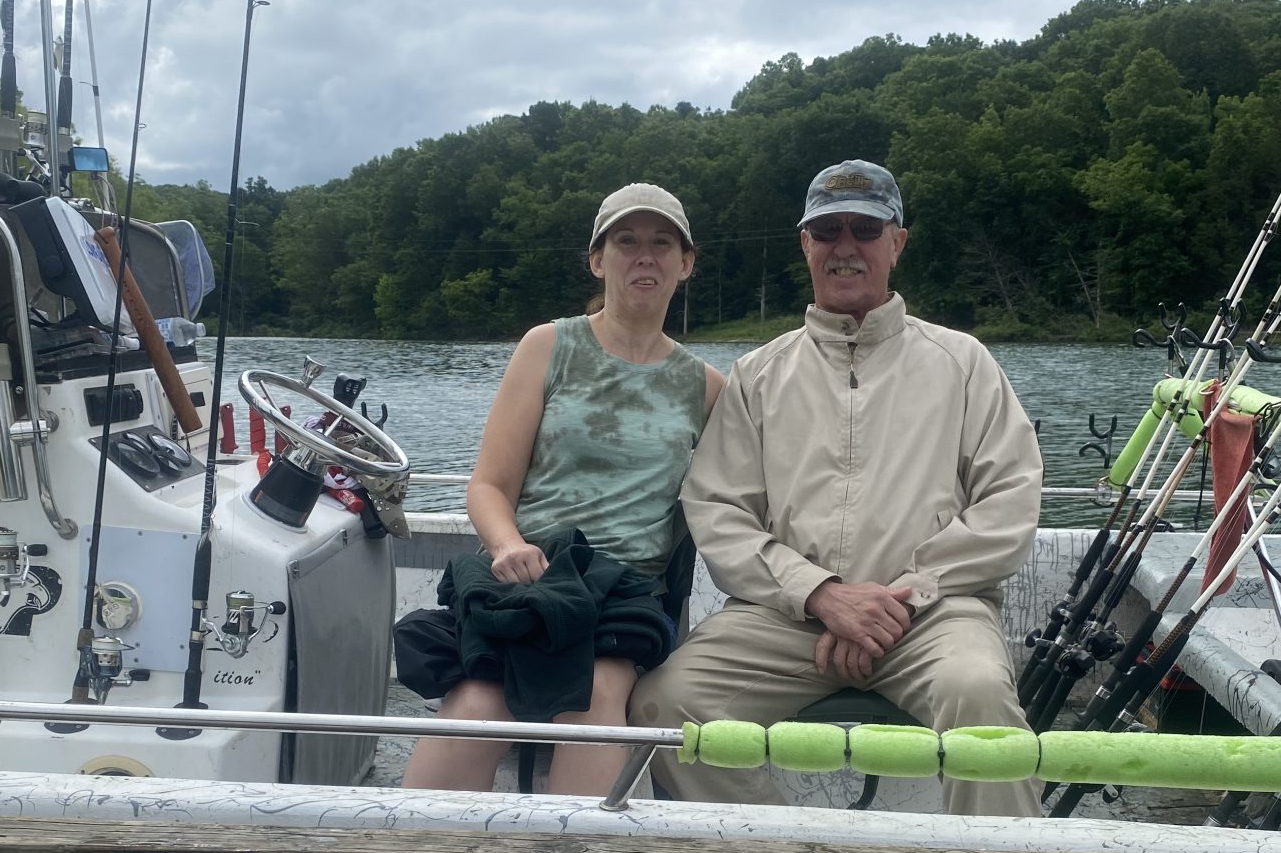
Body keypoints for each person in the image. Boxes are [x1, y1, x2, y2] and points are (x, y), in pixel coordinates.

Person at [629, 159, 1043, 816]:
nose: (844, 246)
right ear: (804, 244)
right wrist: (820, 594)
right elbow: (719, 511)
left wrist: (897, 599)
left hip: (933, 613)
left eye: (865, 229)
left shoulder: (965, 363)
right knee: (666, 703)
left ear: (897, 242)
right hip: (787, 617)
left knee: (980, 698)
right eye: (826, 231)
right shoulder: (757, 375)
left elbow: (1010, 504)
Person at [401, 183, 724, 796]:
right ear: (599, 260)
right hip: (527, 574)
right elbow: (490, 486)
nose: (645, 256)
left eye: (662, 244)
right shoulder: (548, 346)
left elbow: (733, 504)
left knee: (596, 697)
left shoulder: (706, 388)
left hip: (625, 593)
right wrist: (504, 546)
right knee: (474, 705)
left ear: (686, 264)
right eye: (626, 242)